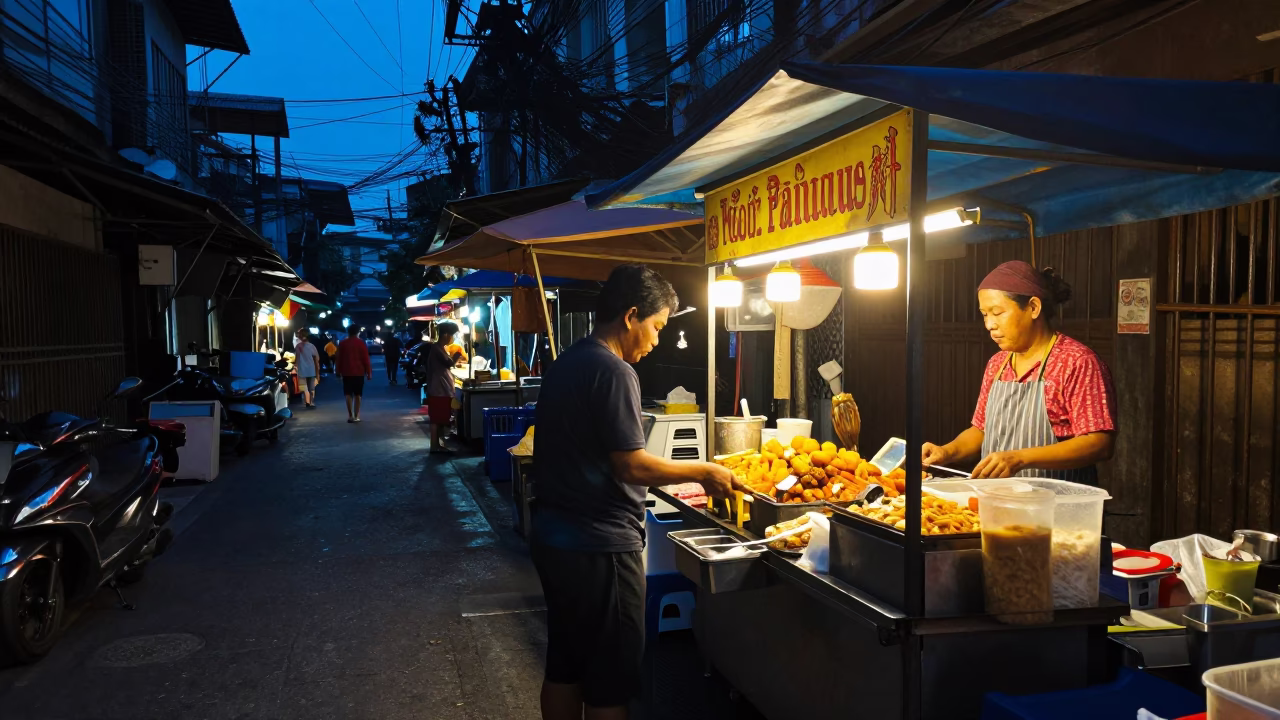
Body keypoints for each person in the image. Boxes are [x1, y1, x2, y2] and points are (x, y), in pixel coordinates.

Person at [531, 263, 744, 720]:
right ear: (631, 316)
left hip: (555, 540)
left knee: (565, 664)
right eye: (657, 326)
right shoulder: (613, 370)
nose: (657, 340)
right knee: (609, 683)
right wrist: (704, 470)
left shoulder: (569, 361)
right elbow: (629, 464)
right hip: (601, 546)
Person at [921, 260, 1117, 482]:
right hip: (999, 503)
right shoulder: (998, 364)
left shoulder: (1077, 362)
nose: (989, 325)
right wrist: (947, 452)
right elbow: (981, 430)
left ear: (1033, 308)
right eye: (985, 314)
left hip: (1057, 508)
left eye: (997, 312)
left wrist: (1020, 458)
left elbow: (1099, 443)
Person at [423, 321, 462, 453]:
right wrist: (458, 354)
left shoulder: (440, 348)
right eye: (452, 335)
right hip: (438, 390)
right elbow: (448, 363)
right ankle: (434, 447)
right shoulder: (436, 348)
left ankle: (438, 445)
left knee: (439, 419)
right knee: (436, 419)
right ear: (446, 334)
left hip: (441, 390)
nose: (452, 338)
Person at [336, 325, 372, 423]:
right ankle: (356, 416)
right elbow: (366, 359)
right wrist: (369, 373)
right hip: (359, 372)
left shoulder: (343, 343)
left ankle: (350, 415)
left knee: (348, 394)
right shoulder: (361, 343)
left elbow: (338, 359)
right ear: (357, 332)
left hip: (346, 372)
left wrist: (337, 372)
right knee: (358, 394)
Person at [293, 329, 321, 409]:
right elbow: (317, 360)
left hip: (302, 370)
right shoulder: (312, 346)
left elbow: (297, 358)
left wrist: (296, 367)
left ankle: (307, 402)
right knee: (311, 388)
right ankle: (311, 402)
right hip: (311, 370)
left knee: (304, 387)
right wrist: (317, 372)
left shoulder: (298, 346)